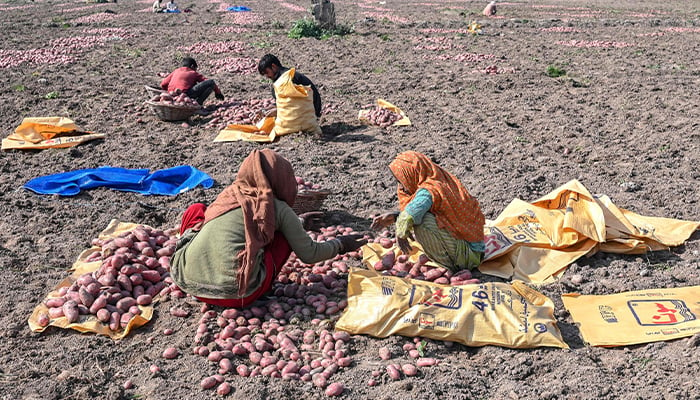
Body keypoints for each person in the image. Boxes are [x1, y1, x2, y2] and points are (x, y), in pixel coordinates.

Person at [171, 149, 367, 308]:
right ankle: (255, 285)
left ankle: (199, 270)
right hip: (238, 295)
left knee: (197, 210)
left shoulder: (229, 194)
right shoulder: (276, 208)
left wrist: (298, 223)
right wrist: (341, 244)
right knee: (282, 236)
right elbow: (309, 254)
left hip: (187, 281)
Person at [370, 151, 485, 272]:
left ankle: (449, 265)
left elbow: (410, 215)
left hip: (468, 255)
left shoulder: (429, 189)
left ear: (411, 173)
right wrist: (395, 216)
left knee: (422, 222)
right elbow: (424, 210)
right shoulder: (436, 178)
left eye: (401, 181)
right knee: (420, 216)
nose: (402, 187)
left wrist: (400, 232)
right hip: (473, 248)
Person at [257, 54, 322, 119]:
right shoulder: (281, 77)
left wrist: (278, 111)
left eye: (267, 72)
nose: (267, 76)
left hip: (309, 110)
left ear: (273, 66)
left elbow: (293, 102)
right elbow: (284, 101)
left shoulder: (287, 79)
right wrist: (266, 109)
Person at [160, 57, 224, 106]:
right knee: (211, 83)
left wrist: (168, 92)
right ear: (192, 66)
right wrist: (217, 92)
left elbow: (163, 84)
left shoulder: (176, 71)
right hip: (185, 95)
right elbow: (207, 81)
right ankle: (198, 105)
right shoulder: (193, 73)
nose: (196, 70)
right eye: (195, 69)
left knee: (193, 84)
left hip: (172, 95)